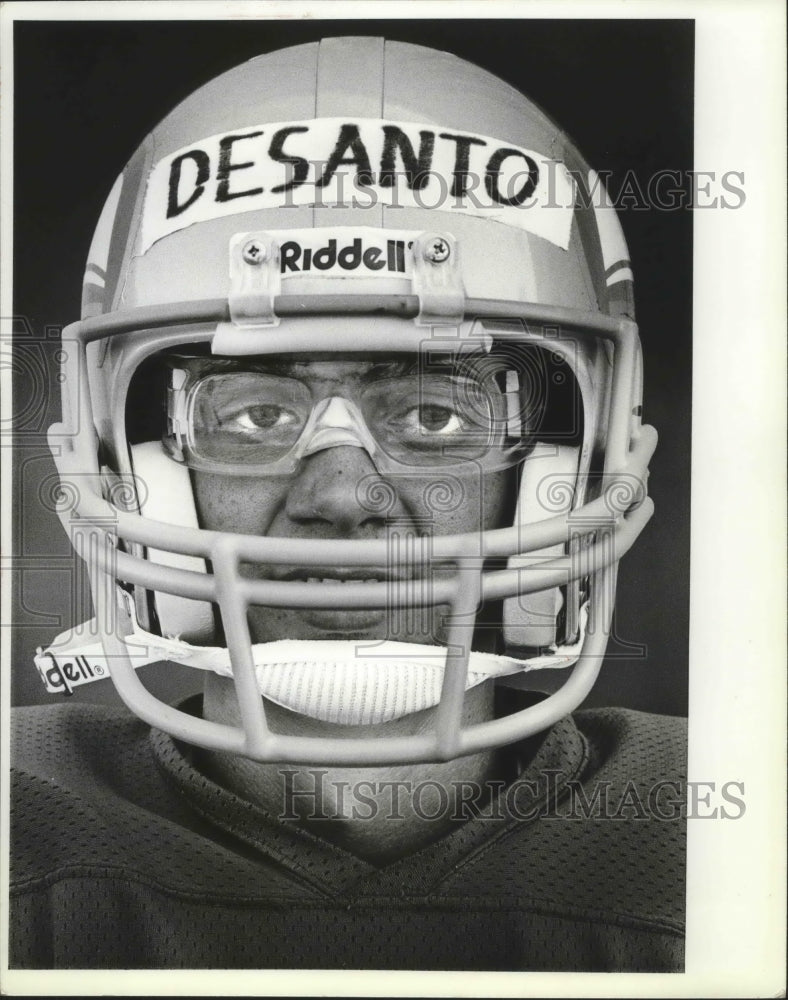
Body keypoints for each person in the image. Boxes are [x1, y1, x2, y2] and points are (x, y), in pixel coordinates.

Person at [9, 36, 686, 971]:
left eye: (436, 412)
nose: (341, 497)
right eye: (250, 413)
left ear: (566, 465)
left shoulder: (705, 842)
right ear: (136, 463)